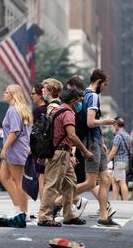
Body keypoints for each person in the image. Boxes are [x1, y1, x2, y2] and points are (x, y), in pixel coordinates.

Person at [37, 89, 94, 227]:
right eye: (79, 101)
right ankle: (44, 217)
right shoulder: (68, 113)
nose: (80, 104)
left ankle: (69, 215)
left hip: (63, 153)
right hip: (60, 153)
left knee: (70, 183)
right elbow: (72, 135)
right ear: (73, 101)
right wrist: (85, 152)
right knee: (52, 185)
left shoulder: (57, 110)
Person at [75, 69, 118, 227]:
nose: (105, 87)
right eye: (104, 84)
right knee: (90, 183)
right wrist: (106, 121)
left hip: (96, 141)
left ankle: (103, 216)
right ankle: (59, 201)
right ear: (98, 81)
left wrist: (102, 141)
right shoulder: (92, 96)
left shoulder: (87, 94)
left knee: (106, 179)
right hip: (91, 142)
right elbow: (91, 122)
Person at [0, 84, 33, 228]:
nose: (4, 94)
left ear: (13, 94)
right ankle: (17, 206)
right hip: (15, 148)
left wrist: (4, 148)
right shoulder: (19, 109)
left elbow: (15, 131)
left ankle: (22, 211)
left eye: (6, 92)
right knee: (3, 176)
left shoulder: (13, 110)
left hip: (15, 149)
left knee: (18, 181)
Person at [30, 83, 48, 196]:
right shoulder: (50, 108)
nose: (31, 96)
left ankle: (44, 208)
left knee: (42, 179)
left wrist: (32, 149)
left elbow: (34, 133)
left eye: (33, 93)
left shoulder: (37, 112)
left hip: (41, 149)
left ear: (40, 95)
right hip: (51, 148)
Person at [107, 118, 131, 201]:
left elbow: (113, 151)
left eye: (114, 125)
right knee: (114, 181)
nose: (114, 127)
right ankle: (115, 200)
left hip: (119, 161)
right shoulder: (127, 135)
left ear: (117, 125)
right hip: (125, 161)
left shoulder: (118, 136)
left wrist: (106, 161)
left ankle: (125, 201)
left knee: (122, 182)